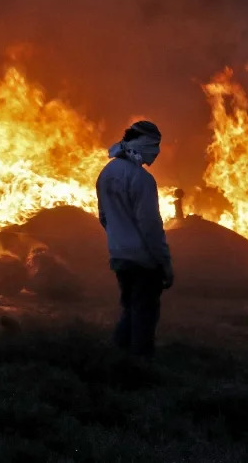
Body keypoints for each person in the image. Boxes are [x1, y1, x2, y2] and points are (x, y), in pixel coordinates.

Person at [96, 120, 173, 357]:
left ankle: (119, 359)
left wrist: (118, 240)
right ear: (143, 143)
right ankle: (141, 365)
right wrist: (164, 261)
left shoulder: (107, 174)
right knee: (144, 313)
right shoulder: (141, 179)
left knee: (131, 309)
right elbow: (150, 225)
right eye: (155, 145)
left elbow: (104, 217)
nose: (157, 151)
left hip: (119, 255)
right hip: (143, 259)